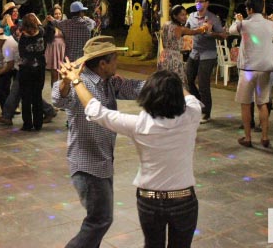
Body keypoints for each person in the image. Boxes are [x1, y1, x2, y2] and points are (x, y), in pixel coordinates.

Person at [65, 66, 201, 248]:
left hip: (149, 200)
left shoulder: (139, 124)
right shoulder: (192, 115)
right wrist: (173, 82)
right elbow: (190, 98)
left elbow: (97, 112)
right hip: (183, 199)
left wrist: (76, 80)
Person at [52, 36, 145, 248]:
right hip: (87, 165)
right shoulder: (81, 84)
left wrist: (169, 84)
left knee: (99, 218)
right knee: (100, 219)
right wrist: (66, 81)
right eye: (115, 59)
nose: (118, 63)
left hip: (103, 161)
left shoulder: (109, 82)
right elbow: (59, 98)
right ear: (103, 64)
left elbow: (136, 87)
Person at [229, 0, 273, 148]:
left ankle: (248, 137)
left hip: (247, 69)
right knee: (263, 103)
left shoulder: (243, 24)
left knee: (246, 103)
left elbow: (231, 30)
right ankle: (265, 137)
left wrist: (237, 20)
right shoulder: (271, 25)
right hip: (265, 69)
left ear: (250, 9)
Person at [184, 0, 225, 124]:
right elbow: (186, 30)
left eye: (201, 1)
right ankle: (198, 104)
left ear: (207, 3)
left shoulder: (213, 18)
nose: (198, 4)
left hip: (208, 54)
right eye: (196, 1)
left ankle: (206, 113)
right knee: (187, 79)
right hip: (194, 53)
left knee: (203, 84)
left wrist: (211, 32)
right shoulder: (191, 16)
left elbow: (222, 35)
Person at [158, 5, 210, 87]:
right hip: (174, 58)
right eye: (182, 15)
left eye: (185, 14)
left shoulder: (165, 25)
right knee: (177, 84)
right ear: (175, 16)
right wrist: (204, 27)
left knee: (164, 83)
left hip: (164, 56)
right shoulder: (180, 29)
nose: (185, 17)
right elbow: (195, 31)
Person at [17, 14, 54, 131]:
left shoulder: (21, 36)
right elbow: (44, 27)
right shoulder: (41, 33)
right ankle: (38, 123)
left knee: (26, 97)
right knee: (37, 96)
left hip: (25, 68)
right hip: (39, 68)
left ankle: (27, 124)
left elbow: (21, 53)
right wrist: (37, 20)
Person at [44, 5, 66, 87]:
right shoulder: (49, 25)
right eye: (56, 14)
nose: (58, 15)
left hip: (62, 50)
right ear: (52, 15)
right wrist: (46, 20)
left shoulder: (64, 24)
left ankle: (62, 93)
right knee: (54, 75)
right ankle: (54, 92)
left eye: (59, 13)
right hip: (53, 50)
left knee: (63, 75)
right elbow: (41, 28)